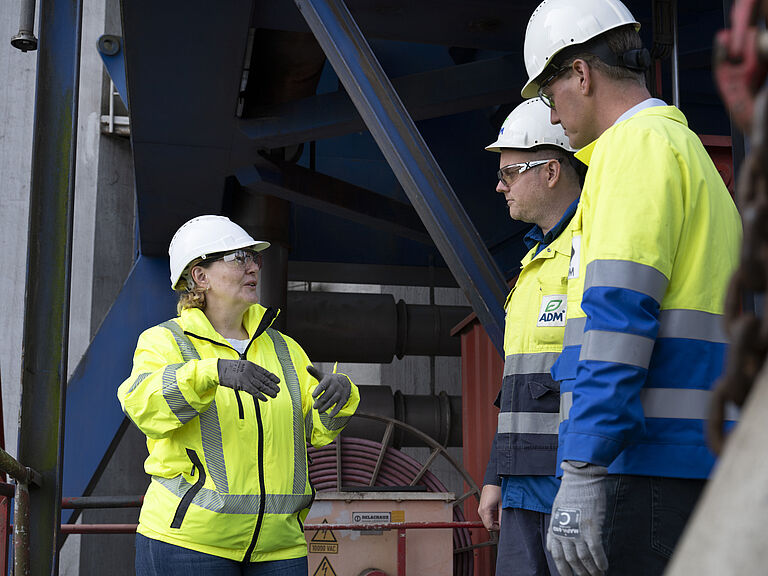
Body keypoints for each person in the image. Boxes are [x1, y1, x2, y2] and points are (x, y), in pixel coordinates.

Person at [520, 1, 743, 575]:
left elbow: (616, 319)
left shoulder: (631, 149)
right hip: (695, 459)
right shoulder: (683, 151)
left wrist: (584, 469)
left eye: (549, 96)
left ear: (582, 74)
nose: (551, 118)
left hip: (644, 466)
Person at [118, 215, 360, 575]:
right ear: (200, 276)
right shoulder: (165, 342)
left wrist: (340, 398)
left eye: (254, 258)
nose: (253, 268)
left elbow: (315, 430)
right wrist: (211, 373)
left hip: (280, 548)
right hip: (189, 543)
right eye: (239, 258)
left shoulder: (285, 349)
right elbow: (143, 407)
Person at [478, 97, 583, 576]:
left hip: (574, 482)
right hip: (524, 483)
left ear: (552, 171)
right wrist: (496, 476)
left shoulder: (593, 246)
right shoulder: (533, 262)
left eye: (510, 172)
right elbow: (518, 384)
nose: (499, 186)